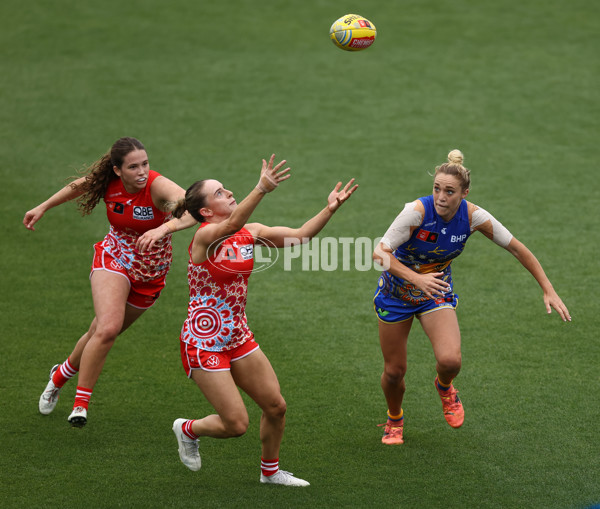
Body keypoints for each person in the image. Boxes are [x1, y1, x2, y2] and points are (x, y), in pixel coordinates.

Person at [166, 154, 357, 486]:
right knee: (235, 425)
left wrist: (330, 208)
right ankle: (187, 429)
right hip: (204, 341)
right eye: (220, 192)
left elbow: (300, 237)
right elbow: (231, 226)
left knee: (275, 406)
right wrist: (261, 188)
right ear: (207, 212)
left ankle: (270, 473)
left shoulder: (250, 232)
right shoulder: (205, 237)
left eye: (226, 189)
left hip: (238, 335)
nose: (228, 193)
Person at [372, 149, 571, 445]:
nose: (441, 196)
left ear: (464, 193)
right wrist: (416, 278)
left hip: (434, 295)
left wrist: (548, 288)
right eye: (437, 188)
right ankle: (395, 418)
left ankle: (445, 388)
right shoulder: (416, 212)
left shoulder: (474, 217)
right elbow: (379, 252)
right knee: (393, 372)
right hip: (395, 295)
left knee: (451, 360)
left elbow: (517, 247)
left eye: (449, 191)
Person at [24, 137, 196, 427]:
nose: (142, 171)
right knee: (107, 328)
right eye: (133, 167)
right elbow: (76, 187)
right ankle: (80, 405)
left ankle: (58, 376)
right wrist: (43, 206)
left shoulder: (157, 186)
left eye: (145, 163)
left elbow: (190, 208)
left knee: (98, 332)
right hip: (113, 258)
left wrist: (164, 228)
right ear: (118, 170)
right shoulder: (108, 183)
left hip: (150, 274)